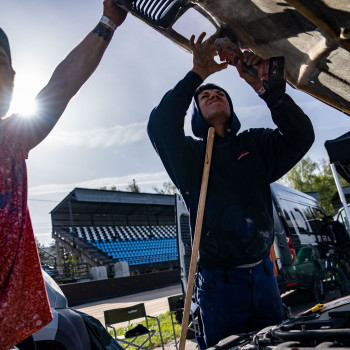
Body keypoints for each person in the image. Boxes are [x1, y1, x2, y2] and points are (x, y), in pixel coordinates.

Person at [147, 32, 315, 348]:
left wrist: (268, 92)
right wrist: (197, 74)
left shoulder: (254, 143)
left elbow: (301, 137)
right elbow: (159, 125)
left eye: (220, 92)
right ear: (195, 114)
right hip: (219, 287)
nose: (213, 94)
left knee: (277, 345)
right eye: (204, 95)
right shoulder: (188, 156)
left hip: (265, 278)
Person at [0, 2, 127, 349]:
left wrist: (108, 22)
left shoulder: (10, 140)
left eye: (1, 66)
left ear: (13, 81)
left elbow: (62, 85)